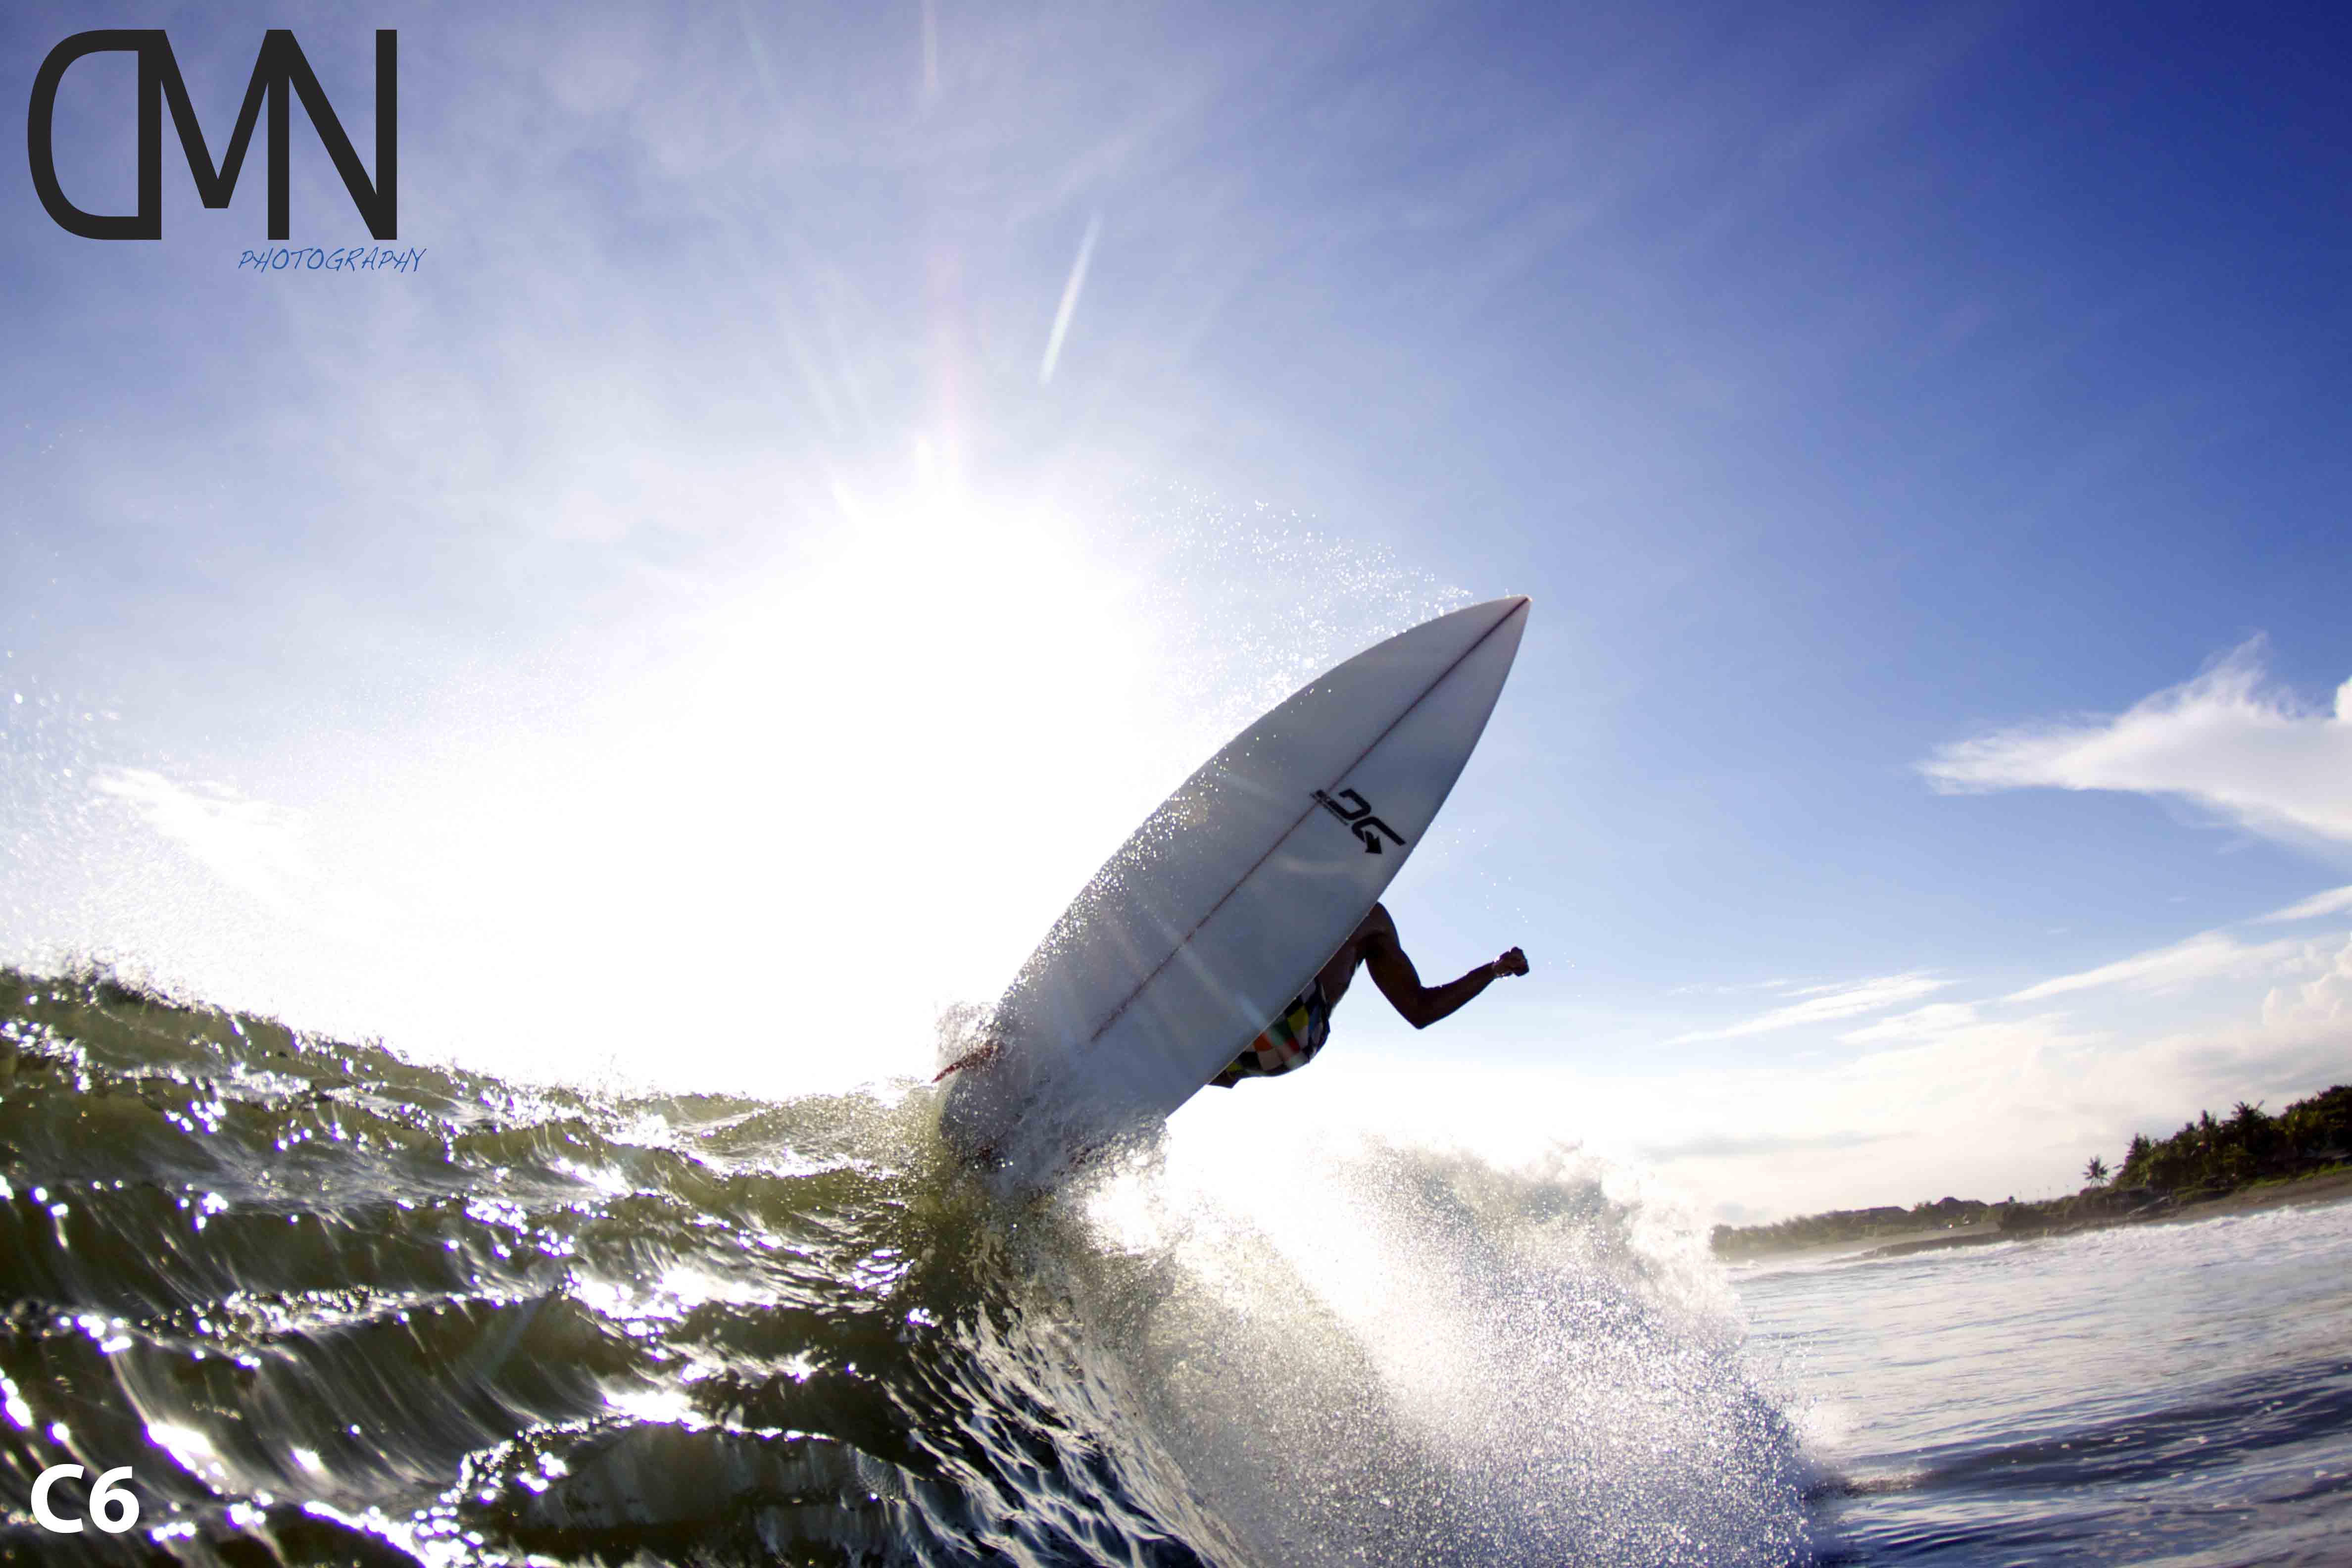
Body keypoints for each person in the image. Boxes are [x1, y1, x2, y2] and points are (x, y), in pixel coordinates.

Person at [1211, 903, 1527, 1087]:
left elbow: (1420, 1011)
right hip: (1284, 1046)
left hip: (1291, 1021)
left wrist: (1492, 970)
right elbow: (1421, 1009)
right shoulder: (1372, 917)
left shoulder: (1366, 915)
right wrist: (1493, 970)